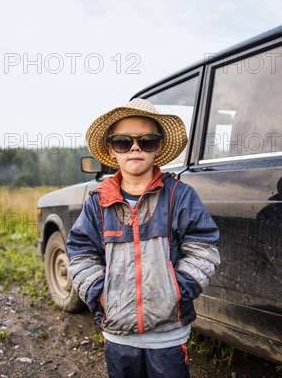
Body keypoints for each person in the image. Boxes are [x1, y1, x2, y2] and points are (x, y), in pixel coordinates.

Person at [66, 98, 220, 378]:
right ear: (112, 151)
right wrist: (102, 295)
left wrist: (176, 290)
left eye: (146, 140)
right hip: (118, 337)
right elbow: (80, 255)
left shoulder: (179, 196)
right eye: (123, 142)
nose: (135, 147)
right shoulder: (97, 203)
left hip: (169, 337)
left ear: (158, 147)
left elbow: (204, 250)